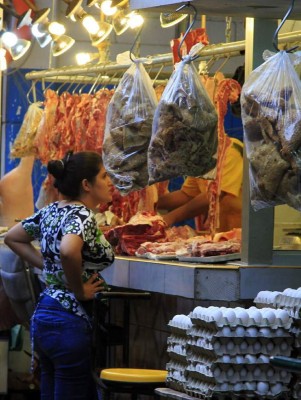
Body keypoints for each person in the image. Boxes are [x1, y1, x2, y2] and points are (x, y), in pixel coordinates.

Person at [4, 151, 115, 400]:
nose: (110, 182)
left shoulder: (51, 211)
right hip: (69, 321)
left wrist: (48, 266)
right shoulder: (83, 215)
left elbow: (13, 237)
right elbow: (68, 250)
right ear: (86, 185)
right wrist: (79, 289)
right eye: (104, 176)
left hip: (44, 317)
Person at [157, 137, 243, 232]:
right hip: (220, 235)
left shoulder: (230, 149)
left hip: (242, 234)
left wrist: (171, 217)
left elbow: (215, 193)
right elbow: (187, 194)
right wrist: (151, 203)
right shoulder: (200, 157)